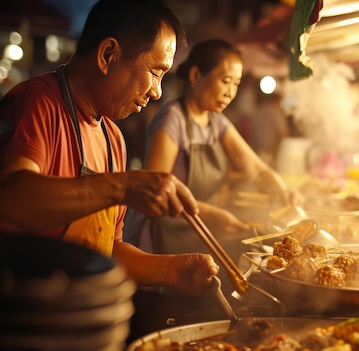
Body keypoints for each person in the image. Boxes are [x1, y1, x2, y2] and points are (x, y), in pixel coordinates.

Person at [0, 0, 220, 340]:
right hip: (27, 327)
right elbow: (12, 199)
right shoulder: (36, 104)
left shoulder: (113, 138)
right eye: (155, 71)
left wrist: (171, 269)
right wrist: (121, 187)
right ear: (108, 55)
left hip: (88, 326)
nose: (157, 91)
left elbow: (108, 248)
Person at [124, 38, 301, 261]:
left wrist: (282, 190)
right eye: (226, 81)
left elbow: (254, 169)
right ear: (196, 76)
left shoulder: (216, 121)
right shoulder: (172, 118)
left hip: (192, 233)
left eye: (236, 84)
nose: (230, 92)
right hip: (157, 241)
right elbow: (155, 191)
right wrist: (214, 216)